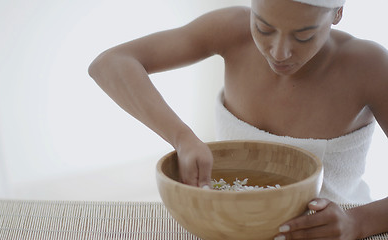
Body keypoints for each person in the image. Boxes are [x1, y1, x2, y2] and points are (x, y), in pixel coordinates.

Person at [88, 0, 388, 239]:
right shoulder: (230, 30)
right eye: (264, 28)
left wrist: (357, 223)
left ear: (337, 14)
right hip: (231, 225)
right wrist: (182, 137)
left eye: (303, 35)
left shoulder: (369, 65)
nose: (279, 52)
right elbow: (110, 64)